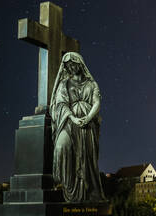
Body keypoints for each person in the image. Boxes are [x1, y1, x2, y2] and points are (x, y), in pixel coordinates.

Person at [50, 52, 105, 202]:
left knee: (87, 159)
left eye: (74, 64)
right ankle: (67, 187)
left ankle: (86, 192)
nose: (71, 67)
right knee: (61, 147)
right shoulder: (64, 84)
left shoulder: (92, 84)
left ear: (80, 63)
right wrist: (73, 118)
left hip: (87, 125)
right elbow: (61, 104)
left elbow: (96, 103)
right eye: (68, 65)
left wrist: (87, 118)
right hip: (69, 122)